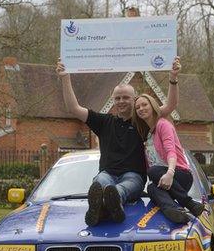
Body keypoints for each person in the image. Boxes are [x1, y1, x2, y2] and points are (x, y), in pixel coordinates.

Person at [56, 57, 181, 226]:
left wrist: (173, 78)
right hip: (107, 173)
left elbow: (170, 106)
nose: (121, 101)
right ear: (112, 100)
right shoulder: (104, 121)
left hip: (134, 176)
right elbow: (74, 108)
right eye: (117, 98)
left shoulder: (143, 122)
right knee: (101, 183)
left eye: (126, 98)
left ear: (134, 98)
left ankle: (106, 206)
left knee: (120, 189)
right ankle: (103, 207)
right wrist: (65, 77)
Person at [132, 93, 205, 223]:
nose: (141, 109)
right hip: (162, 180)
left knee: (153, 171)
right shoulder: (147, 134)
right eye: (137, 107)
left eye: (144, 104)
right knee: (152, 188)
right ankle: (174, 212)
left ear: (153, 106)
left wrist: (170, 173)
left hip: (179, 174)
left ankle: (188, 202)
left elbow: (171, 151)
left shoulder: (163, 124)